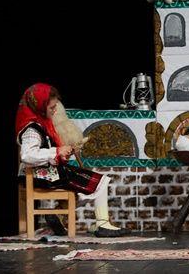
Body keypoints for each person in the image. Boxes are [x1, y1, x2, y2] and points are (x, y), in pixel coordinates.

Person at [16, 83, 128, 237]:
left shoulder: (42, 124)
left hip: (47, 172)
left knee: (87, 188)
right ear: (40, 107)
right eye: (51, 107)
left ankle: (58, 214)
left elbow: (44, 150)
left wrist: (61, 154)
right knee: (100, 183)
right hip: (41, 175)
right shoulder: (32, 129)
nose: (55, 110)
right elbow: (27, 155)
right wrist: (56, 152)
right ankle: (103, 225)